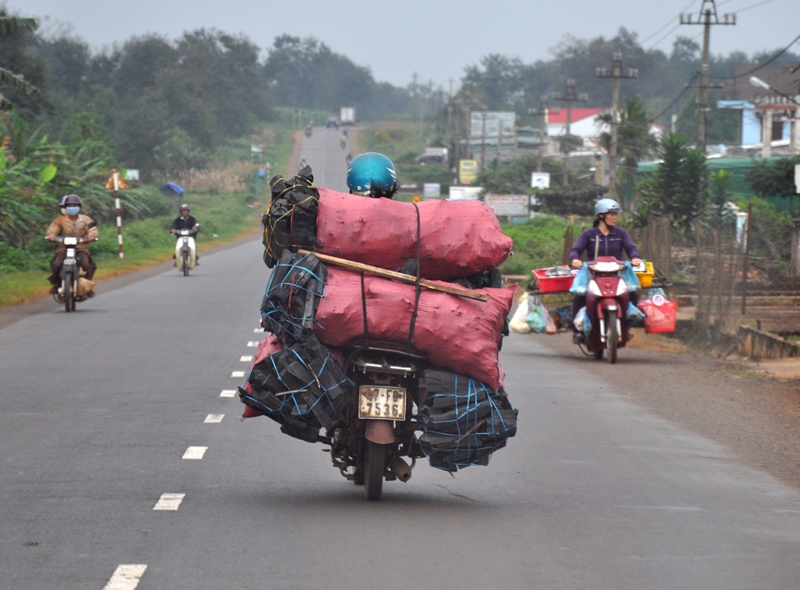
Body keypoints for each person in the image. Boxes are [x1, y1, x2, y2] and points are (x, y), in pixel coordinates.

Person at [568, 198, 642, 344]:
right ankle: (578, 331)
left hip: (617, 275)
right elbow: (575, 250)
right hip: (593, 275)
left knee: (632, 294)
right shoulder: (589, 235)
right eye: (611, 214)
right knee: (579, 298)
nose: (615, 217)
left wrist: (635, 257)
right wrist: (575, 259)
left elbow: (631, 248)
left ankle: (625, 328)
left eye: (616, 214)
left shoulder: (621, 233)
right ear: (601, 215)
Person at [46, 194, 98, 295]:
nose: (72, 207)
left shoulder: (86, 219)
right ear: (66, 207)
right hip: (63, 248)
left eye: (75, 205)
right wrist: (51, 236)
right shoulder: (60, 220)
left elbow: (92, 230)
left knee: (87, 265)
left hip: (81, 248)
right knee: (56, 264)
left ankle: (86, 286)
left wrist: (90, 236)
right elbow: (52, 231)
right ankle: (56, 285)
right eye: (70, 205)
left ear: (79, 207)